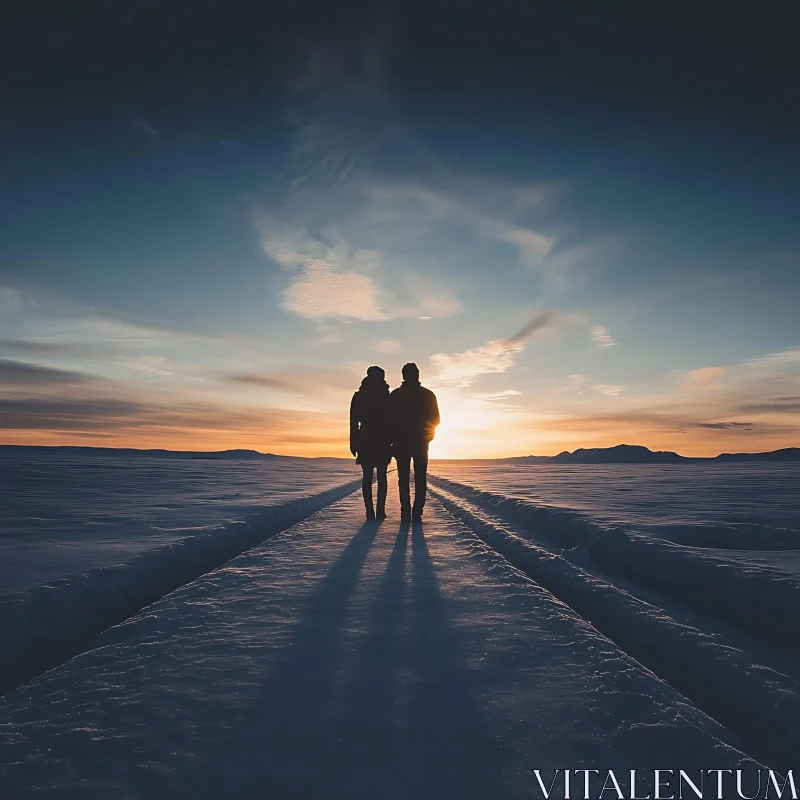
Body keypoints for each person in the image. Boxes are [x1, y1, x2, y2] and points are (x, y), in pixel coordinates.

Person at [389, 362, 440, 523]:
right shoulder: (426, 395)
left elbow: (435, 420)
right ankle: (414, 512)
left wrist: (427, 437)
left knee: (405, 478)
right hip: (414, 444)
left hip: (408, 443)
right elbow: (435, 420)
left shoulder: (396, 395)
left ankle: (410, 512)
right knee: (417, 478)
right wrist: (427, 437)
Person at [349, 365, 392, 521]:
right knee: (377, 476)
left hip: (374, 440)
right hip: (376, 440)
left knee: (372, 476)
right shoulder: (385, 395)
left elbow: (353, 423)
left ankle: (375, 511)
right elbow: (353, 422)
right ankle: (375, 511)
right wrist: (354, 442)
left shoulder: (365, 395)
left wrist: (354, 442)